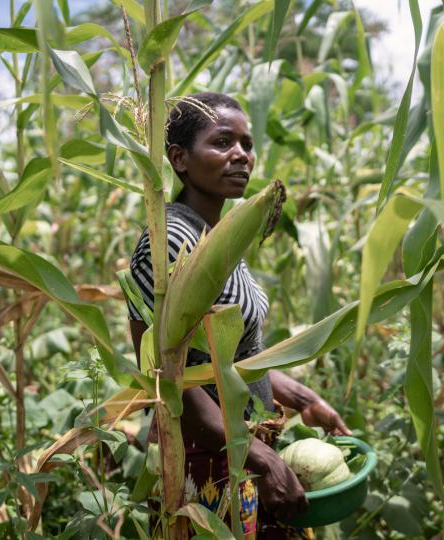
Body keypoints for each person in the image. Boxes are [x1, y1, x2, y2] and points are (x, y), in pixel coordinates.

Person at [127, 91, 351, 539]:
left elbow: (228, 362)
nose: (241, 155)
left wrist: (303, 401)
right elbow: (166, 376)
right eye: (222, 142)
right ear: (179, 159)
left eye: (247, 144)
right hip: (207, 461)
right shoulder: (170, 239)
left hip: (243, 452)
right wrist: (258, 457)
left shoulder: (218, 236)